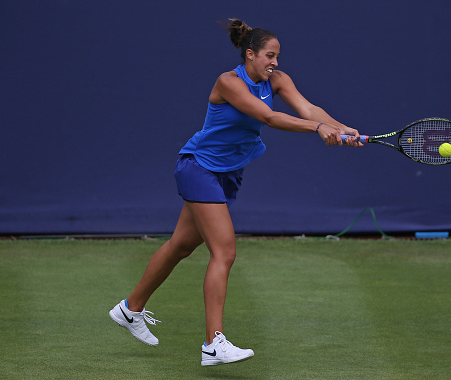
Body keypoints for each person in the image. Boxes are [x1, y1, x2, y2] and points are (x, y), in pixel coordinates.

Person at [109, 18, 361, 366]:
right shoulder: (228, 82)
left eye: (277, 57)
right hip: (199, 168)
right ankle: (214, 343)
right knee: (224, 252)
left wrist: (340, 127)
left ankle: (129, 308)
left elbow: (307, 108)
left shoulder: (278, 80)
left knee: (180, 246)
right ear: (250, 54)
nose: (275, 63)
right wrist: (319, 129)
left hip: (226, 175)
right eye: (269, 56)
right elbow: (269, 118)